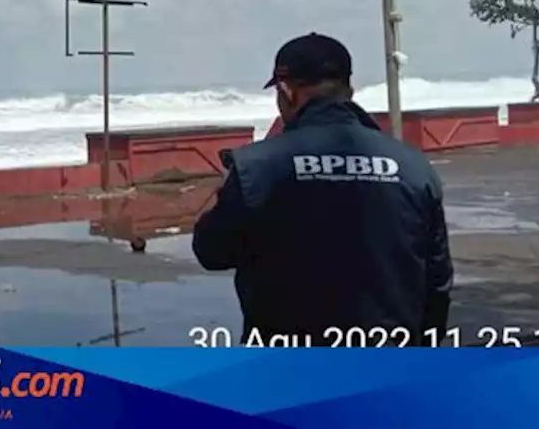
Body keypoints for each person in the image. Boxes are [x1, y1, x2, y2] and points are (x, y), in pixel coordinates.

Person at [192, 33, 452, 346]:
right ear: (350, 90)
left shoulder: (257, 166)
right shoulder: (413, 166)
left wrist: (225, 195)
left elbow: (212, 252)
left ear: (286, 92)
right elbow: (437, 282)